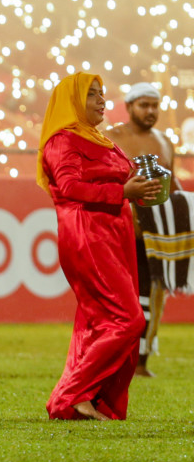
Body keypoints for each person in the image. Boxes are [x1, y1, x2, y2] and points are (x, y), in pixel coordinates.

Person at [39, 73, 159, 421]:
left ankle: (89, 400)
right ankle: (71, 395)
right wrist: (122, 193)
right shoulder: (62, 141)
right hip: (88, 234)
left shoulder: (99, 140)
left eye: (102, 94)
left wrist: (142, 185)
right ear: (72, 101)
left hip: (113, 233)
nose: (101, 101)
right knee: (128, 319)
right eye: (92, 95)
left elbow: (118, 176)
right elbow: (70, 187)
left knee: (97, 322)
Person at [104, 81, 175, 377]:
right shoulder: (111, 138)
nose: (150, 111)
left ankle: (141, 362)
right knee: (120, 298)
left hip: (155, 233)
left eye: (154, 105)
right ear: (130, 106)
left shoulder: (164, 141)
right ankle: (112, 360)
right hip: (118, 230)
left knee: (150, 296)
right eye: (144, 105)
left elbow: (173, 186)